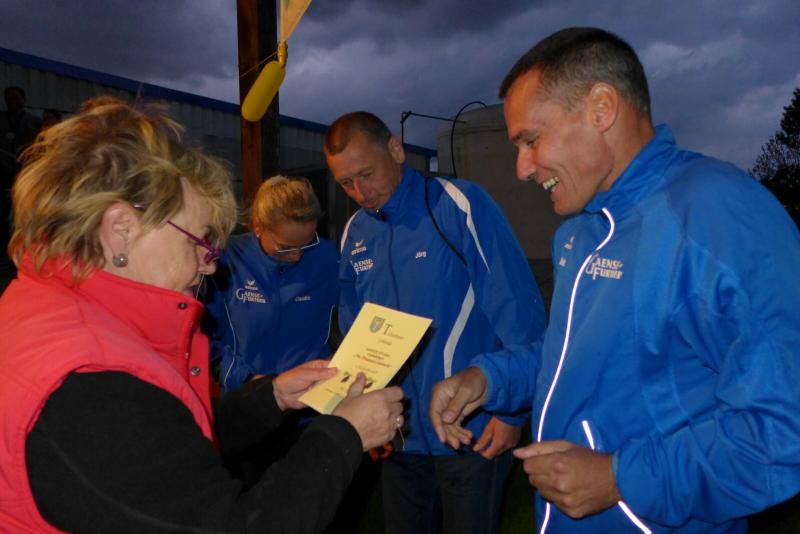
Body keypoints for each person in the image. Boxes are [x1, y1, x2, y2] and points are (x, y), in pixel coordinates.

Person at [429, 27, 800, 534]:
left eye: (531, 141)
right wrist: (489, 379)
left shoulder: (717, 215)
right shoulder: (580, 232)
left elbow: (784, 429)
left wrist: (620, 478)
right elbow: (575, 356)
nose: (522, 168)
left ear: (602, 109)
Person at [0, 96, 405, 533]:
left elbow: (166, 444)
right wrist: (344, 434)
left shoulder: (56, 312)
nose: (210, 265)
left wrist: (270, 397)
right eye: (198, 241)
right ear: (120, 230)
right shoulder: (90, 381)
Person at [325, 111, 546, 534]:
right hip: (398, 433)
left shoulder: (457, 205)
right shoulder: (356, 232)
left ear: (395, 149)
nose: (360, 192)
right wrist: (363, 416)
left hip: (469, 428)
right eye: (346, 183)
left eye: (366, 174)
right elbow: (356, 332)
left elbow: (517, 310)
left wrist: (513, 413)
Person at [204, 175, 339, 391]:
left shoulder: (328, 257)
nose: (296, 256)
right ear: (258, 226)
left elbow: (350, 321)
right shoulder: (228, 259)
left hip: (312, 395)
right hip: (249, 393)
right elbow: (206, 337)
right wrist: (249, 382)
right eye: (285, 247)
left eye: (306, 245)